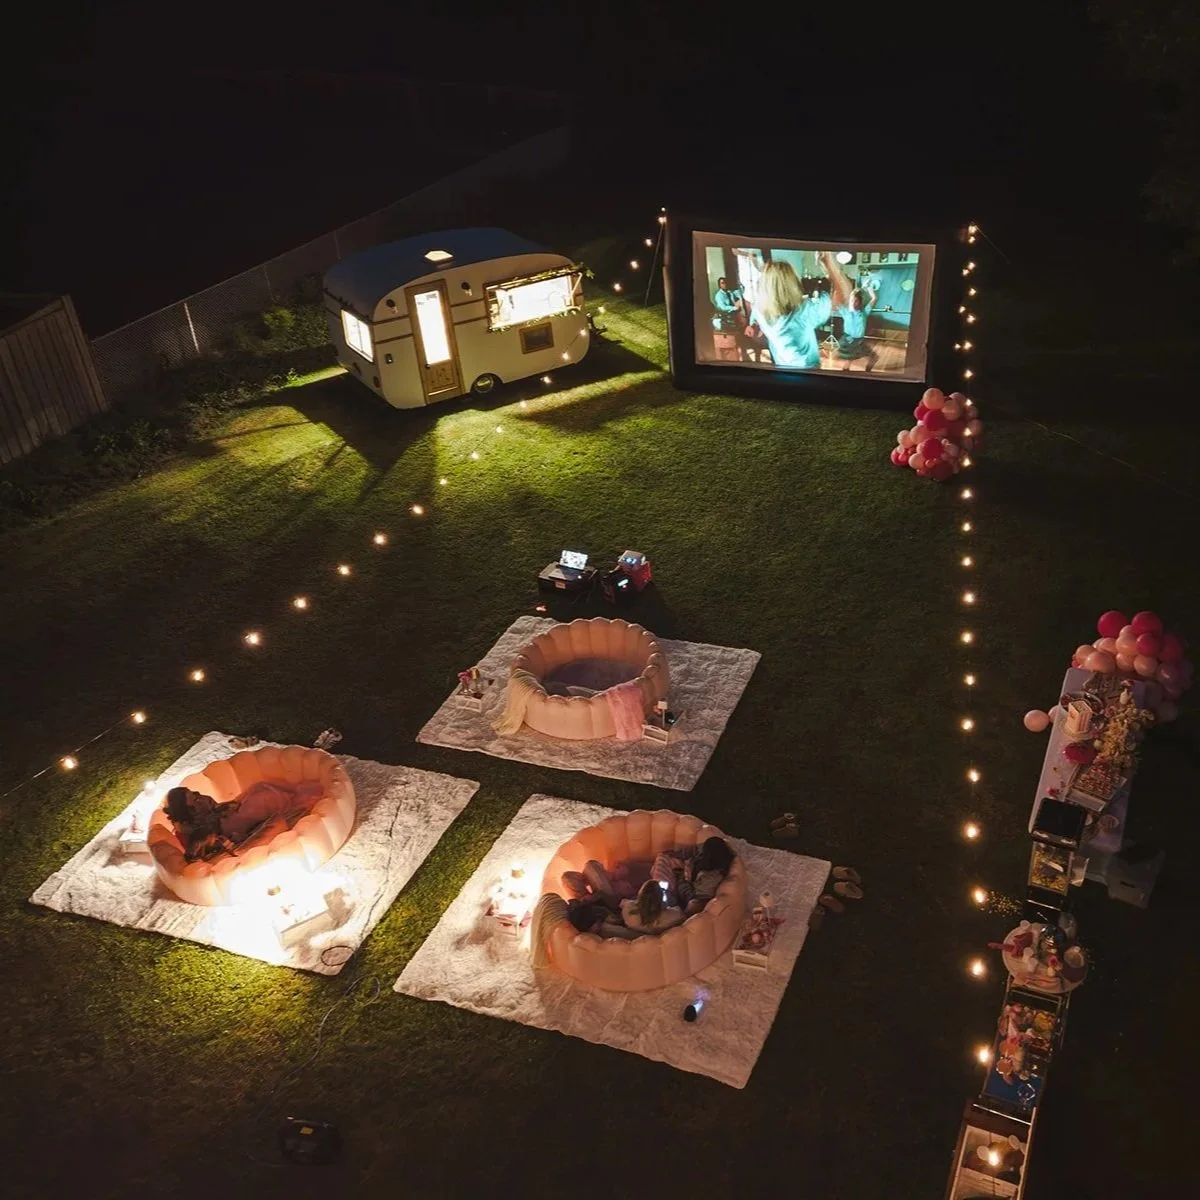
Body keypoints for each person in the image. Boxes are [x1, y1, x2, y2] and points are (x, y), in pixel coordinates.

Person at [745, 252, 850, 369]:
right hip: (808, 372)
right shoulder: (803, 311)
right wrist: (828, 263)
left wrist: (754, 325)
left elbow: (756, 321)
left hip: (781, 369)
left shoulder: (759, 309)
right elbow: (844, 297)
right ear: (792, 283)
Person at [652, 836, 736, 914]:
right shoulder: (709, 852)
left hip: (682, 892)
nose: (702, 852)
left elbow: (693, 901)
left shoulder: (710, 879)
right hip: (686, 872)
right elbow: (695, 850)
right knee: (663, 858)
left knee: (661, 881)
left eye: (705, 853)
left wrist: (684, 879)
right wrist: (678, 854)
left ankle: (657, 898)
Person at [834, 286, 879, 371]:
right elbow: (836, 302)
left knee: (873, 357)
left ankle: (868, 371)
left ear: (860, 302)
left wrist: (869, 288)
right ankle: (845, 373)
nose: (854, 303)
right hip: (849, 341)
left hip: (859, 341)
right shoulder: (846, 312)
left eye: (856, 301)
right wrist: (836, 292)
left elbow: (874, 298)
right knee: (848, 361)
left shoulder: (864, 312)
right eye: (852, 301)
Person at [620, 879, 685, 934]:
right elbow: (681, 914)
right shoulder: (673, 916)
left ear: (641, 894)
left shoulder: (629, 912)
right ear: (661, 896)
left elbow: (624, 903)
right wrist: (665, 905)